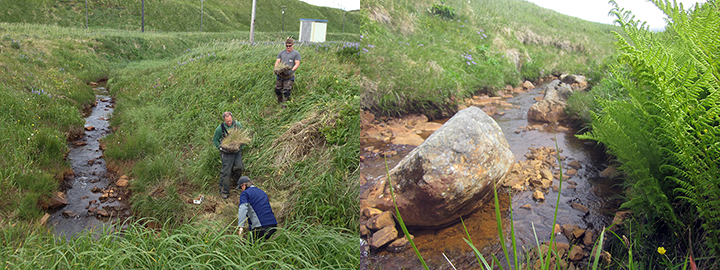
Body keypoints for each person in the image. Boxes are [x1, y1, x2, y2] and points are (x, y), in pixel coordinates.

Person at [212, 111, 244, 199]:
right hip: (226, 153)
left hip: (236, 151)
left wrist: (241, 146)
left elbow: (243, 137)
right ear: (224, 120)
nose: (229, 123)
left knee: (239, 167)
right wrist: (220, 147)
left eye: (230, 121)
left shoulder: (237, 125)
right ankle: (224, 191)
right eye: (227, 122)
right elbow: (215, 140)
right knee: (226, 171)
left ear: (232, 118)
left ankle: (236, 181)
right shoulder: (220, 128)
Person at [236, 176, 278, 241]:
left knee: (250, 248)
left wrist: (241, 227)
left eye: (241, 187)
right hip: (273, 226)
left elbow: (243, 209)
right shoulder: (262, 192)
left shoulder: (245, 193)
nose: (241, 190)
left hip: (260, 227)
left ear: (244, 185)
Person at [274, 38, 301, 106]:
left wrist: (292, 70)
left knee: (286, 91)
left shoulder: (296, 54)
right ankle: (279, 102)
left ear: (293, 45)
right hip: (281, 75)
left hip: (289, 76)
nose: (288, 47)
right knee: (277, 90)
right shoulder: (281, 53)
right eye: (287, 46)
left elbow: (297, 63)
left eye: (289, 46)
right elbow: (278, 61)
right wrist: (276, 69)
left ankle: (285, 105)